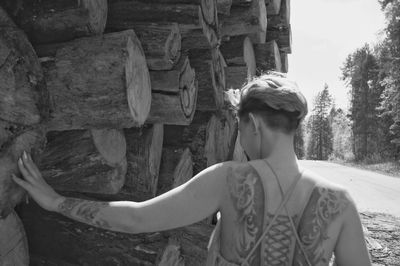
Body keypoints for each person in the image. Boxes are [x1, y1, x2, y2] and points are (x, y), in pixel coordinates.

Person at [13, 74, 371, 266]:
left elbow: (137, 220)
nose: (241, 138)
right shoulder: (339, 202)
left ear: (255, 125)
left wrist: (55, 201)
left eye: (241, 128)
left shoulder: (228, 179)